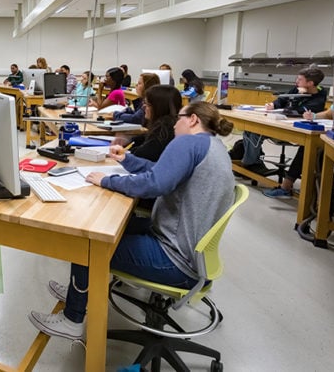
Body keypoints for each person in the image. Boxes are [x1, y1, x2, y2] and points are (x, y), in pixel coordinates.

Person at [28, 102, 235, 341]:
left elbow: (155, 184)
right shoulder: (214, 146)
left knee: (87, 241)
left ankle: (72, 319)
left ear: (193, 120)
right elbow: (160, 170)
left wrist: (107, 181)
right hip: (192, 254)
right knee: (105, 225)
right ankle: (80, 289)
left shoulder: (187, 142)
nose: (175, 123)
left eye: (179, 118)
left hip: (175, 259)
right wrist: (127, 160)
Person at [264, 71, 334, 200]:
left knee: (317, 152)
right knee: (309, 148)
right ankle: (314, 195)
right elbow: (329, 114)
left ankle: (320, 197)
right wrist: (313, 116)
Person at [240, 67, 327, 174]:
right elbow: (283, 99)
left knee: (254, 133)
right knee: (250, 130)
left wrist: (298, 96)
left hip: (294, 131)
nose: (296, 82)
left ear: (310, 83)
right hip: (279, 123)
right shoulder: (297, 88)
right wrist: (273, 105)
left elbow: (296, 110)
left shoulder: (319, 96)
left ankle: (248, 164)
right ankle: (252, 163)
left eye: (300, 80)